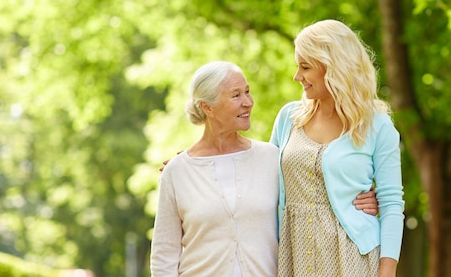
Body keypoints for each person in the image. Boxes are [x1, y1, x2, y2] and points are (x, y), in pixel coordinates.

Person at [150, 61, 378, 276]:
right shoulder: (178, 172)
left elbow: (316, 192)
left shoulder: (270, 158)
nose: (248, 102)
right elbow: (164, 256)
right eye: (236, 95)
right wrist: (184, 167)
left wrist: (359, 199)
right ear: (207, 107)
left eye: (247, 92)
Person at [270, 19, 404, 277]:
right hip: (292, 257)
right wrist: (196, 160)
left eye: (305, 67)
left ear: (332, 67)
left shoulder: (377, 125)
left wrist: (387, 273)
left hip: (354, 260)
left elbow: (391, 205)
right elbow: (257, 175)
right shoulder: (289, 118)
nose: (297, 76)